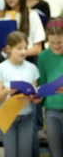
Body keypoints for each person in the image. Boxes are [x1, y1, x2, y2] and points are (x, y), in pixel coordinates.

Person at [0, 31, 41, 157]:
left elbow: (35, 95)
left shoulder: (32, 68)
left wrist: (32, 98)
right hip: (7, 115)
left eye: (25, 47)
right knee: (11, 153)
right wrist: (7, 91)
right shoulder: (1, 68)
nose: (23, 51)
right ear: (9, 48)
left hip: (26, 117)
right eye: (19, 48)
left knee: (25, 153)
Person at [37, 17, 63, 157]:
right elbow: (42, 82)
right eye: (52, 42)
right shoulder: (43, 56)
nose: (55, 46)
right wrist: (36, 96)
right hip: (51, 111)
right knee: (56, 153)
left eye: (59, 42)